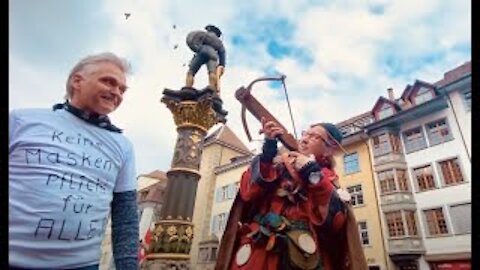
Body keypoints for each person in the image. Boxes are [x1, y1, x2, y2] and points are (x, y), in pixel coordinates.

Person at [9, 52, 139, 270]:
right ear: (77, 81)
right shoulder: (22, 120)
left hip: (80, 265)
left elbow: (125, 216)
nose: (116, 92)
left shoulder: (123, 145)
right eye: (108, 82)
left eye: (122, 89)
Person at [215, 118, 368, 270]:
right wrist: (268, 153)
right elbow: (248, 192)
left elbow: (334, 221)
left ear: (329, 149)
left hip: (300, 254)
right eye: (306, 134)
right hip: (258, 250)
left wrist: (311, 172)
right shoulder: (278, 164)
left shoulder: (327, 179)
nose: (306, 139)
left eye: (315, 137)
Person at [185, 24, 226, 95]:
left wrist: (197, 48)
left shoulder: (204, 34)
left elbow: (192, 38)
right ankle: (212, 87)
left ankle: (188, 87)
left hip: (202, 51)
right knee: (212, 72)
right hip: (213, 54)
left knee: (191, 72)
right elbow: (222, 52)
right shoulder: (219, 42)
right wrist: (222, 65)